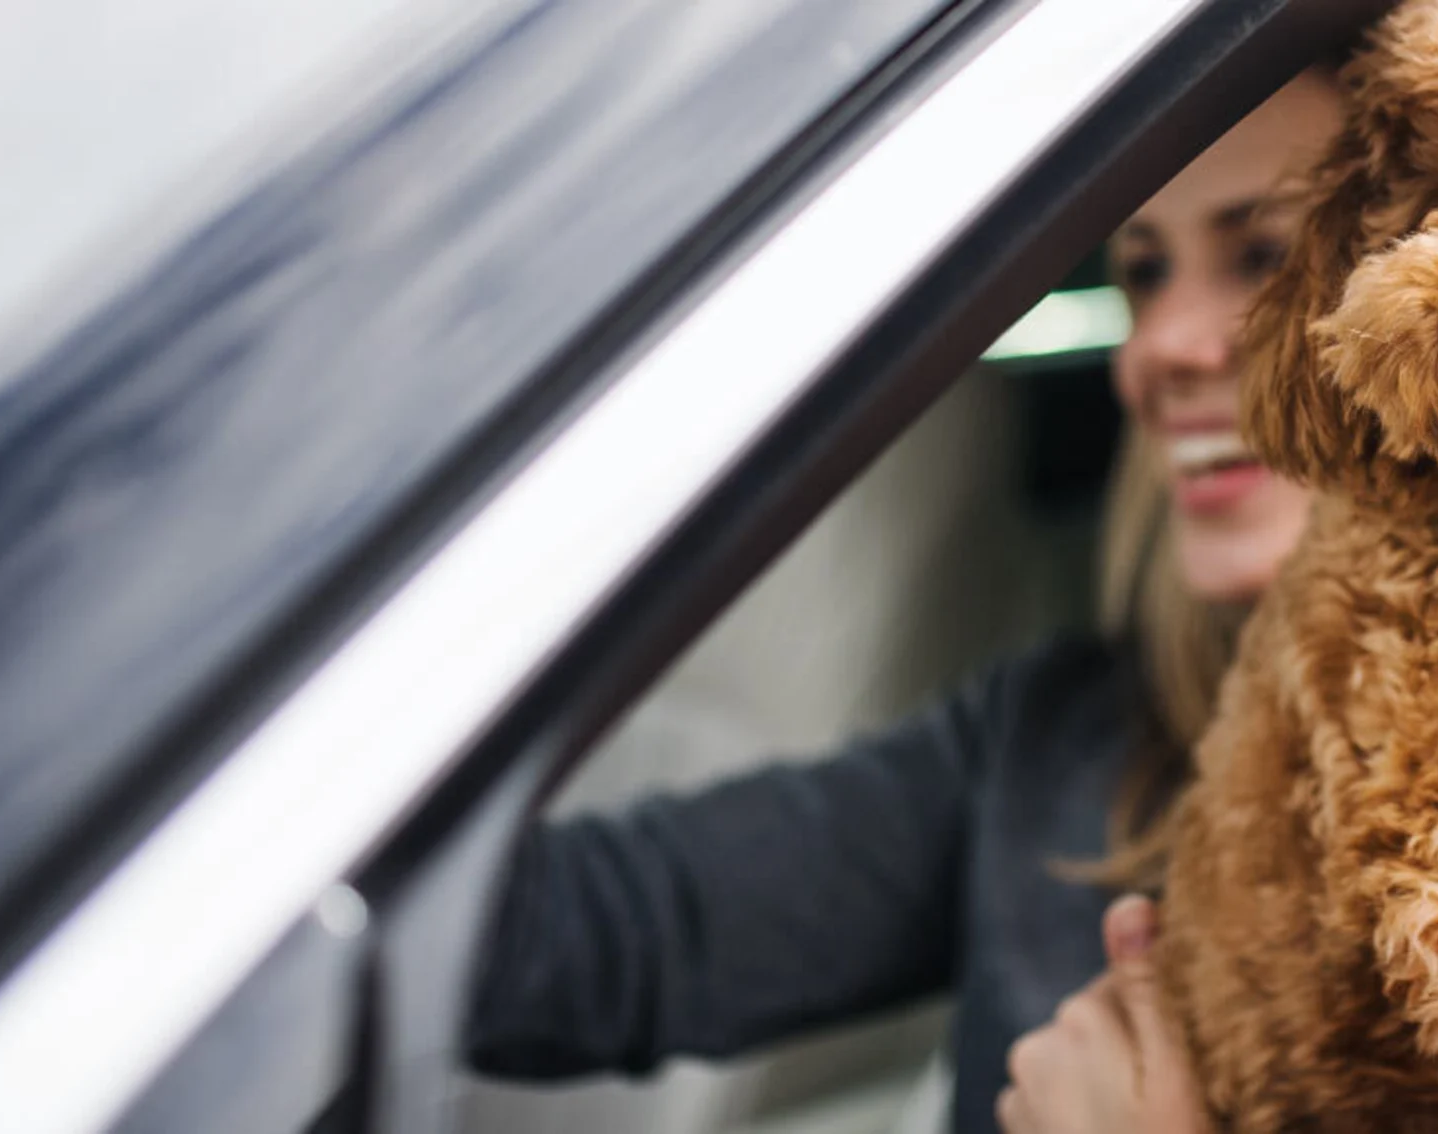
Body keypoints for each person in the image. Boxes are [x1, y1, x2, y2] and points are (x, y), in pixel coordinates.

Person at [464, 71, 1344, 1134]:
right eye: (1145, 272)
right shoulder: (1061, 739)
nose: (1158, 346)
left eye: (1261, 256)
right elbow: (602, 934)